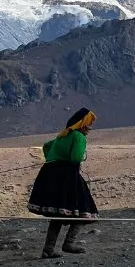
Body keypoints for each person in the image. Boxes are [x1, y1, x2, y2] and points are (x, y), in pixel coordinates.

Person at [27, 107, 98, 258]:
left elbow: (46, 146)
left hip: (49, 174)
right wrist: (78, 157)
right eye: (88, 125)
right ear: (82, 125)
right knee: (85, 207)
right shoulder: (78, 137)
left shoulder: (62, 135)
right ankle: (69, 243)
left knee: (58, 212)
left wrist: (52, 159)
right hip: (67, 176)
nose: (90, 129)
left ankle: (48, 249)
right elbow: (75, 158)